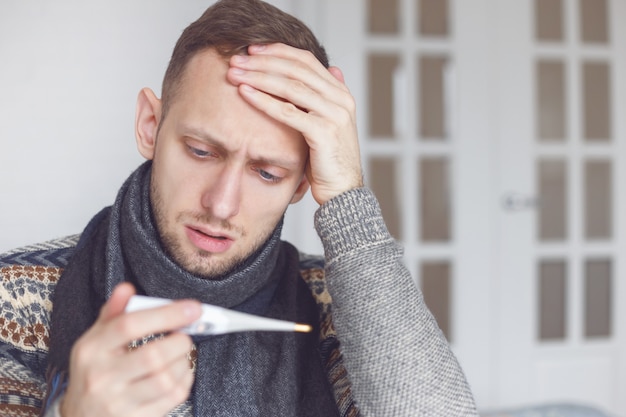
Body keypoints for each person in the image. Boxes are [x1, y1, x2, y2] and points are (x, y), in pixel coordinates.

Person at [0, 0, 478, 416]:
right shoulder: (15, 297)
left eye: (268, 173)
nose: (222, 204)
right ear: (150, 126)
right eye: (202, 152)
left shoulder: (334, 305)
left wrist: (348, 197)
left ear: (301, 184)